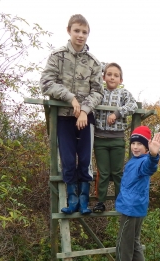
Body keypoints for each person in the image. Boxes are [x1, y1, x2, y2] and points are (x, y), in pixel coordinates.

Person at [40, 14, 103, 214]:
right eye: (77, 31)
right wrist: (70, 98)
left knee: (84, 160)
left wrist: (84, 109)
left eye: (84, 32)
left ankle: (84, 201)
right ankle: (72, 200)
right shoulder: (57, 56)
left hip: (86, 118)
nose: (80, 35)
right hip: (63, 116)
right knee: (67, 160)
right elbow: (46, 83)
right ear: (69, 31)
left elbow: (98, 91)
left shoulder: (94, 62)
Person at [109, 126, 160, 261]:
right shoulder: (133, 161)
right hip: (136, 207)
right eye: (133, 143)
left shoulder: (143, 162)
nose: (136, 147)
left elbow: (150, 167)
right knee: (134, 243)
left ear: (147, 147)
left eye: (140, 144)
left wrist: (154, 155)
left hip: (131, 209)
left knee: (123, 243)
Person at [93, 62, 138, 213]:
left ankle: (121, 201)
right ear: (104, 77)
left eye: (116, 75)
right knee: (103, 172)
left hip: (117, 140)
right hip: (100, 139)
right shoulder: (99, 92)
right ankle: (100, 202)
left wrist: (117, 113)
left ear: (121, 80)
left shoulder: (124, 94)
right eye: (109, 74)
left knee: (118, 172)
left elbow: (133, 106)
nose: (112, 77)